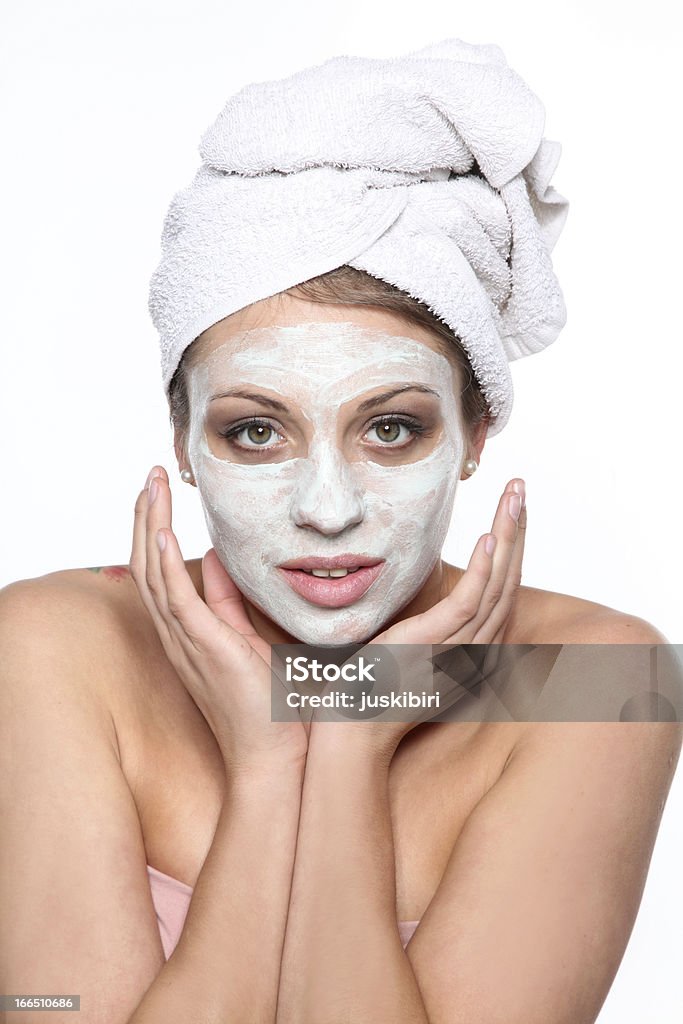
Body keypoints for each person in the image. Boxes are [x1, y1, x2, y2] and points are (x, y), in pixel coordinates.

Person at [1, 38, 681, 1024]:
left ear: (472, 433)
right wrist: (275, 762)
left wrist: (350, 735)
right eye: (255, 430)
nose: (327, 507)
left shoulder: (599, 676)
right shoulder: (53, 644)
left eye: (391, 426)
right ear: (183, 441)